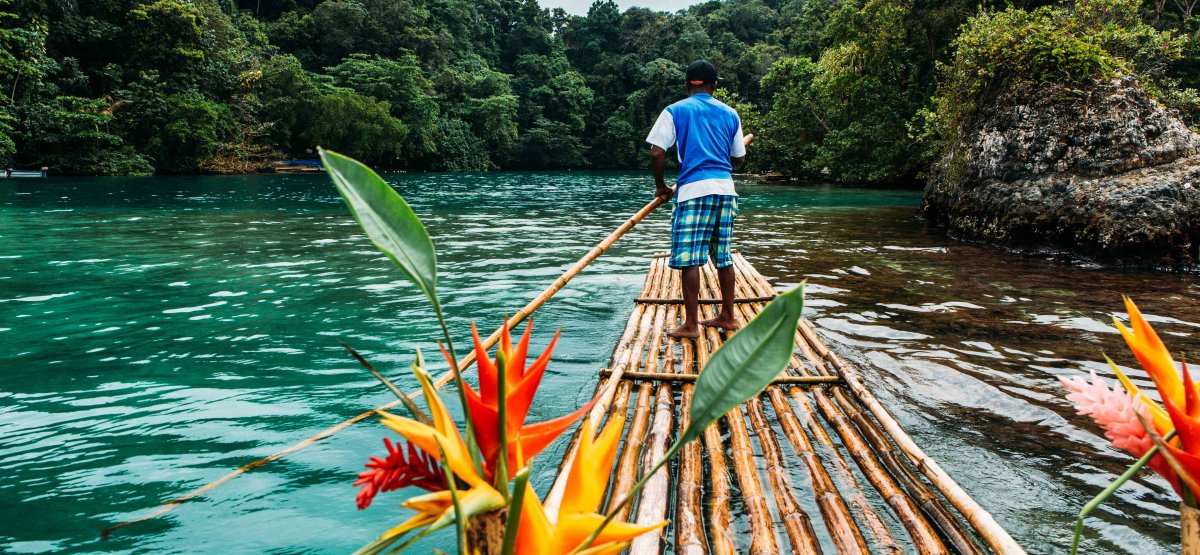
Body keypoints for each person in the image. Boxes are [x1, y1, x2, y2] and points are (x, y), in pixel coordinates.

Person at [645, 59, 753, 339]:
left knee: (690, 259)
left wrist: (661, 187)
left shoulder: (675, 110)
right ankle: (728, 316)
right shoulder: (731, 114)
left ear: (687, 85)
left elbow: (657, 153)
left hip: (694, 191)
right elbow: (739, 158)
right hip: (726, 191)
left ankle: (692, 324)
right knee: (723, 256)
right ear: (714, 85)